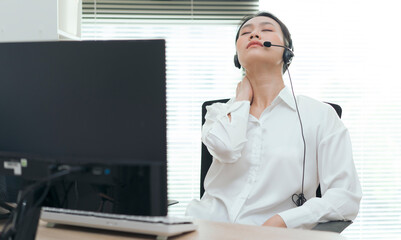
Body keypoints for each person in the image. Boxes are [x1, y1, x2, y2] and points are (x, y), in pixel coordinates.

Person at [185, 11, 362, 229]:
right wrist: (241, 101)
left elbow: (345, 198)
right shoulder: (218, 113)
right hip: (204, 229)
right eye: (246, 33)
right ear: (236, 56)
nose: (254, 34)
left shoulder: (320, 115)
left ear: (287, 52)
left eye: (266, 30)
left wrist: (283, 221)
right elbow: (227, 149)